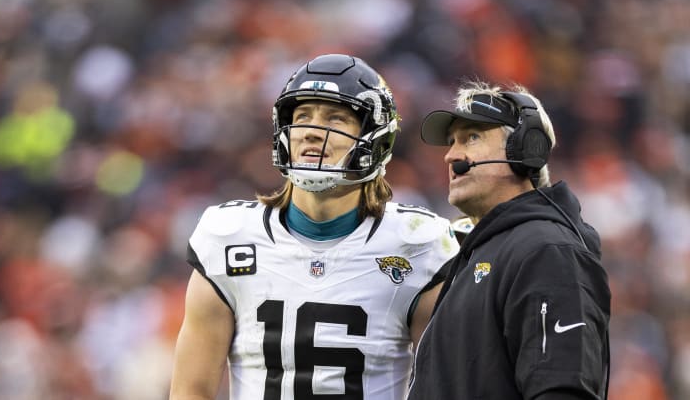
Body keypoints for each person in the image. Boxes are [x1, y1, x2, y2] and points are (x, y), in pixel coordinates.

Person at [169, 54, 461, 400]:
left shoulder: (420, 247)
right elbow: (192, 390)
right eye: (302, 116)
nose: (310, 130)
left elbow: (448, 387)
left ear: (374, 137)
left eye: (335, 118)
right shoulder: (227, 238)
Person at [407, 82, 611, 400]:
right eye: (451, 142)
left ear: (525, 149)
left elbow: (561, 389)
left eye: (471, 137)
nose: (450, 156)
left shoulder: (546, 250)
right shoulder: (479, 255)